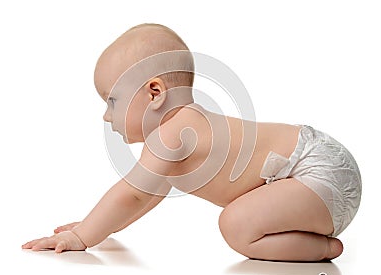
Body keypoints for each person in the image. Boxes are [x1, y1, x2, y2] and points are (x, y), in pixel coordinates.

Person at [22, 23, 361, 261]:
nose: (106, 117)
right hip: (314, 165)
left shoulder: (173, 133)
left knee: (236, 224)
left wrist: (82, 237)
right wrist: (93, 226)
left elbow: (132, 193)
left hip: (316, 172)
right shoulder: (180, 133)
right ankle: (318, 242)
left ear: (155, 93)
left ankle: (322, 250)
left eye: (112, 101)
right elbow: (143, 199)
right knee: (238, 219)